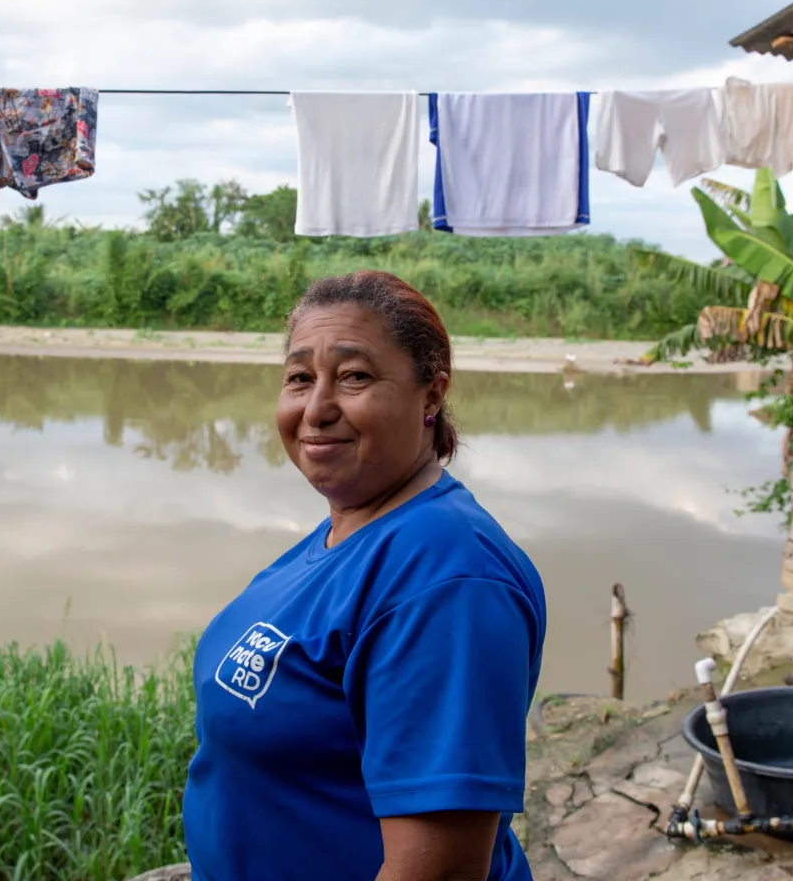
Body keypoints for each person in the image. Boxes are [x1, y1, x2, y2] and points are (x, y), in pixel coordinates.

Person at [183, 271, 547, 881]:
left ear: (431, 396)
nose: (317, 409)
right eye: (300, 378)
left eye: (354, 376)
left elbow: (439, 871)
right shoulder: (352, 531)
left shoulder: (446, 575)